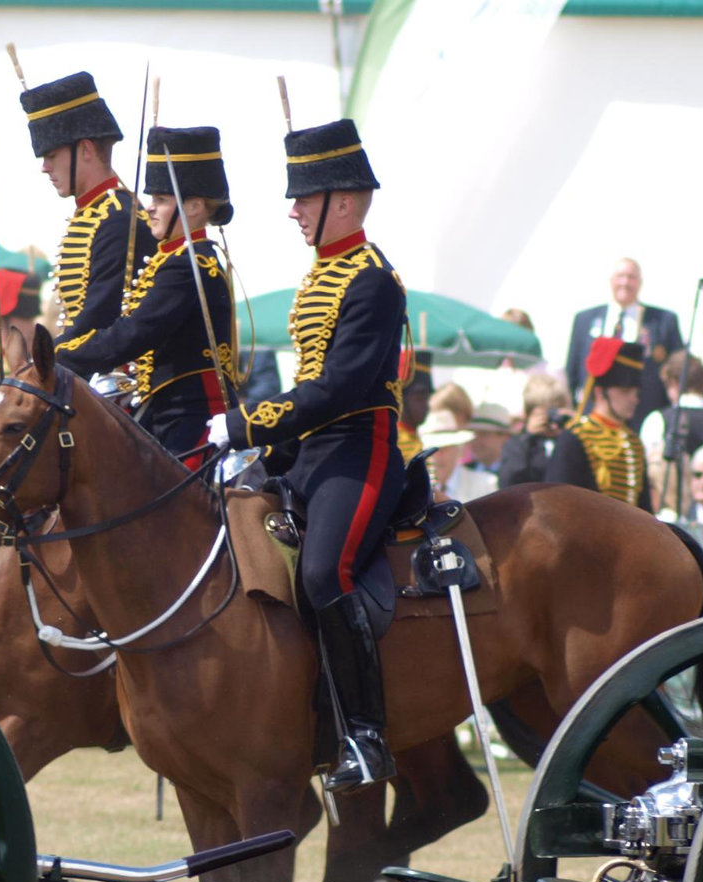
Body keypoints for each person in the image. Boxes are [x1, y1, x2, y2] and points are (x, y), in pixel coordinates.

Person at [209, 118, 403, 796]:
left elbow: (342, 387)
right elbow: (309, 387)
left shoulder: (374, 280)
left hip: (362, 449)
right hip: (314, 449)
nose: (293, 210)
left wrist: (248, 424)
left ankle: (366, 735)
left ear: (342, 201)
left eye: (304, 197)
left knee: (325, 572)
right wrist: (265, 451)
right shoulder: (321, 275)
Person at [57, 125, 237, 467]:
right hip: (163, 414)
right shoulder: (170, 259)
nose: (150, 208)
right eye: (153, 199)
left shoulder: (190, 264)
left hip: (196, 419)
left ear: (195, 206)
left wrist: (61, 354)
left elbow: (134, 333)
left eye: (163, 200)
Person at [19, 71, 156, 359]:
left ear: (85, 149)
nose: (45, 167)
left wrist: (47, 361)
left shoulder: (118, 220)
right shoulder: (94, 214)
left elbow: (98, 322)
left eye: (52, 156)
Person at [563, 257, 683, 429]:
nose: (625, 283)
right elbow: (572, 370)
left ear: (640, 283)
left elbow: (676, 368)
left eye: (631, 277)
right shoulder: (585, 319)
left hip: (643, 417)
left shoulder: (663, 321)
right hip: (594, 417)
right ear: (611, 280)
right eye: (620, 276)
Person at [545, 337, 652, 511]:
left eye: (636, 392)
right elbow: (558, 503)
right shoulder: (575, 437)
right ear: (600, 392)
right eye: (625, 391)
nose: (634, 399)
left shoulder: (634, 442)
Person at [497, 374, 568, 488]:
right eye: (544, 415)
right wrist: (528, 438)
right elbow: (508, 480)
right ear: (528, 415)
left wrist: (566, 434)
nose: (550, 422)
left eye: (554, 413)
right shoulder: (517, 444)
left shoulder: (570, 439)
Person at [396, 348, 433, 462]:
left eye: (427, 398)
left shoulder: (417, 439)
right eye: (419, 398)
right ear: (402, 398)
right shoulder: (394, 441)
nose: (426, 406)